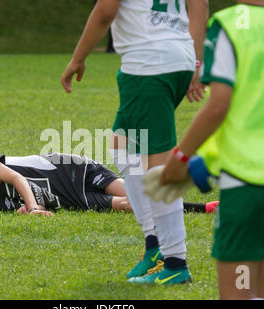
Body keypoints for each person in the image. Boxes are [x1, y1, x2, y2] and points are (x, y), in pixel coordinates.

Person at [154, 0, 264, 299]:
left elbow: (218, 106)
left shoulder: (230, 25)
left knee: (238, 294)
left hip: (249, 185)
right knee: (259, 290)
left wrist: (180, 157)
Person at [61, 0, 209, 285]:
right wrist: (196, 59)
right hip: (174, 58)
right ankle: (155, 246)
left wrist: (78, 58)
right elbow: (199, 3)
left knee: (158, 167)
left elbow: (106, 10)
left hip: (149, 65)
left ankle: (175, 263)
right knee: (125, 146)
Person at [0, 149, 215, 215]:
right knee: (128, 205)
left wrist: (31, 206)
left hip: (67, 170)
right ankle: (206, 208)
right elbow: (14, 208)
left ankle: (190, 170)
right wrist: (26, 213)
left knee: (135, 189)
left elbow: (13, 177)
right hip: (63, 200)